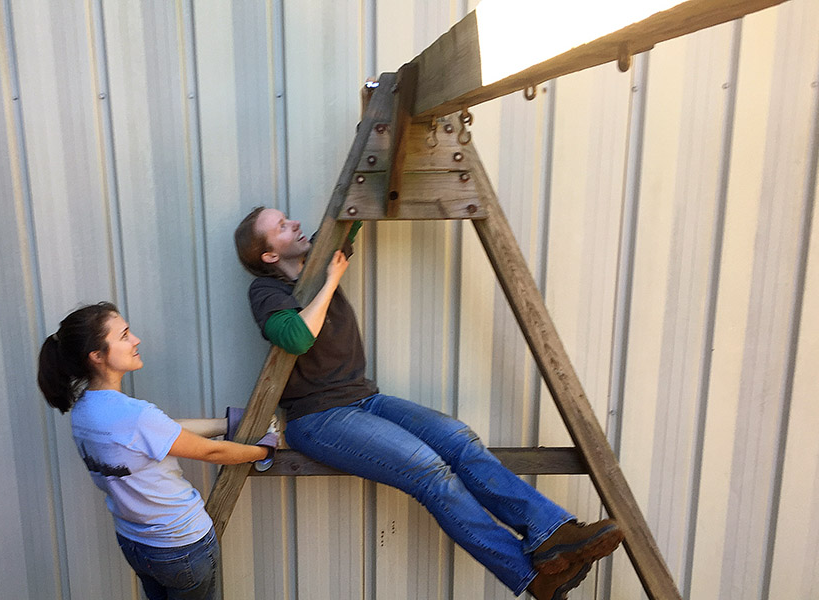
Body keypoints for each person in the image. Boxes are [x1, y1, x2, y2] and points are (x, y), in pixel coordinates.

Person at [234, 207, 624, 599]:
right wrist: (333, 279)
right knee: (430, 472)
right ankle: (531, 576)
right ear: (269, 256)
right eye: (282, 227)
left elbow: (352, 214)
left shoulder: (319, 257)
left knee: (458, 439)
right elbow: (296, 337)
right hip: (317, 419)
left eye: (289, 218)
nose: (295, 223)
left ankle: (551, 533)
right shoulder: (266, 291)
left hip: (364, 399)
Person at [37, 302, 277, 600]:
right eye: (124, 335)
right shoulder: (135, 415)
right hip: (180, 545)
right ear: (97, 356)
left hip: (135, 543)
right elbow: (210, 453)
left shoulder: (84, 411)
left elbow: (164, 432)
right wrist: (262, 451)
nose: (136, 340)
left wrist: (224, 423)